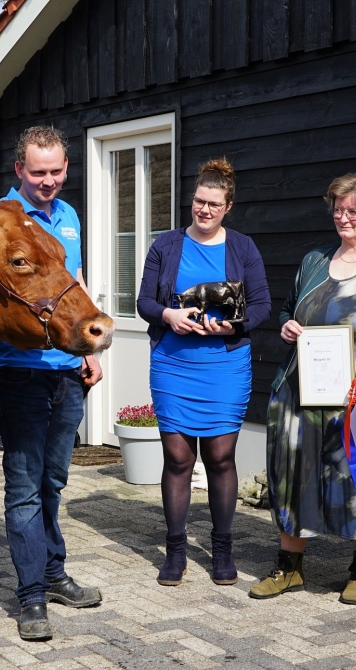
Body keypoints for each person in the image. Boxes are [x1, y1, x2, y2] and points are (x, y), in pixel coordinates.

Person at [254, 171, 356, 605]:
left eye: (354, 211)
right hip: (301, 392)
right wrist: (288, 326)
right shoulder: (314, 259)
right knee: (294, 472)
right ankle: (289, 568)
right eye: (339, 209)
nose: (343, 218)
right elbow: (290, 310)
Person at [135, 159, 270, 587]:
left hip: (225, 366)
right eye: (198, 201)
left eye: (213, 204)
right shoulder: (166, 245)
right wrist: (169, 315)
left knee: (219, 456)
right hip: (174, 364)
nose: (204, 210)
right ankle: (175, 551)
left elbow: (263, 304)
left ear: (228, 206)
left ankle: (222, 549)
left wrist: (235, 325)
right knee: (177, 459)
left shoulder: (243, 248)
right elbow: (144, 303)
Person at [0, 125, 103, 641]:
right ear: (19, 171)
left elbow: (71, 284)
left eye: (57, 171)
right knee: (23, 489)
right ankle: (31, 595)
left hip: (67, 374)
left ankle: (53, 573)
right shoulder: (1, 221)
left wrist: (91, 348)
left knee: (52, 482)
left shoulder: (69, 216)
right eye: (38, 172)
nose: (49, 181)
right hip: (20, 371)